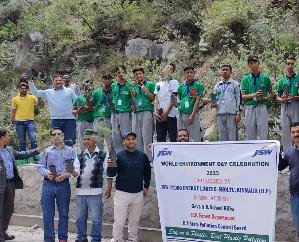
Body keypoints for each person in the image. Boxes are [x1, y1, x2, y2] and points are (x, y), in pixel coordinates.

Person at [107, 132, 151, 242]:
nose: (131, 141)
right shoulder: (118, 156)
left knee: (134, 221)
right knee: (119, 221)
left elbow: (147, 172)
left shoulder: (143, 156)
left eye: (133, 139)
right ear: (123, 142)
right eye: (128, 139)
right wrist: (110, 164)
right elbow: (111, 173)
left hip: (138, 194)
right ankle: (117, 239)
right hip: (122, 194)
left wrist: (146, 186)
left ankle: (133, 239)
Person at [37, 128, 77, 242]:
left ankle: (62, 238)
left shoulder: (70, 151)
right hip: (48, 185)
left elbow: (72, 168)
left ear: (63, 136)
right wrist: (46, 173)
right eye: (54, 134)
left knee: (64, 213)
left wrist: (66, 174)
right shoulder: (46, 151)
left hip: (63, 185)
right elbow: (40, 167)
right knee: (48, 214)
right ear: (51, 137)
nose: (56, 136)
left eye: (59, 134)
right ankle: (49, 239)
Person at [73, 129, 112, 242]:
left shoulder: (104, 154)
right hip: (80, 192)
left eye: (88, 139)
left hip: (95, 192)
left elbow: (108, 172)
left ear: (94, 140)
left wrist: (109, 188)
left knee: (96, 219)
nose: (86, 141)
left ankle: (96, 239)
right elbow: (76, 171)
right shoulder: (79, 155)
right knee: (80, 218)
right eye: (84, 139)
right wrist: (73, 172)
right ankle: (81, 238)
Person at [0, 128, 39, 241]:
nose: (9, 138)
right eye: (8, 136)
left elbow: (23, 155)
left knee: (9, 209)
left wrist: (38, 150)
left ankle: (3, 231)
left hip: (10, 184)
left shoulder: (10, 150)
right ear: (2, 137)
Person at [29, 74, 77, 146]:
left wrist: (77, 111)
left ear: (62, 81)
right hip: (55, 120)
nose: (58, 82)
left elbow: (77, 101)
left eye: (60, 80)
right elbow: (35, 93)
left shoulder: (69, 91)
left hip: (69, 120)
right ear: (53, 82)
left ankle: (68, 157)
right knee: (56, 142)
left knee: (69, 142)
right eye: (56, 80)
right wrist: (30, 81)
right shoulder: (48, 92)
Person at [241, 54, 273, 140]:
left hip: (262, 106)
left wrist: (264, 98)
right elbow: (243, 96)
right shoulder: (245, 79)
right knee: (250, 133)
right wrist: (254, 95)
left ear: (259, 63)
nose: (253, 64)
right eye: (251, 63)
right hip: (249, 107)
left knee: (264, 132)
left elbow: (271, 95)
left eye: (255, 62)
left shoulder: (266, 78)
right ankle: (251, 152)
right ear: (248, 65)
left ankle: (265, 152)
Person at [279, 122, 299, 242]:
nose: (296, 134)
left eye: (298, 131)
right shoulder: (289, 152)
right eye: (293, 132)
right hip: (295, 197)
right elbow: (279, 167)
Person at [131, 67, 155, 160]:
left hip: (146, 112)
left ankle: (149, 159)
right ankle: (139, 158)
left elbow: (153, 98)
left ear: (143, 74)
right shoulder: (133, 87)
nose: (138, 75)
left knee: (147, 136)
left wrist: (146, 90)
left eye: (140, 73)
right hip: (136, 113)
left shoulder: (150, 84)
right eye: (136, 74)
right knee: (136, 136)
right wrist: (132, 106)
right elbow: (133, 100)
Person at [212, 64, 241, 141]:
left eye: (227, 70)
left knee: (232, 136)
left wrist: (238, 113)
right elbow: (214, 99)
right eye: (223, 70)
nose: (225, 71)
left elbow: (239, 99)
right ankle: (224, 152)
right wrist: (213, 104)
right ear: (220, 71)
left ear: (230, 71)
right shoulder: (217, 86)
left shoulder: (235, 84)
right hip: (219, 113)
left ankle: (234, 152)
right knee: (222, 137)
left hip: (231, 113)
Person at [276, 54, 299, 151]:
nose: (290, 66)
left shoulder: (298, 78)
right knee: (285, 130)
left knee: (297, 128)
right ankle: (287, 154)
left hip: (295, 105)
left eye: (292, 64)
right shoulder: (282, 80)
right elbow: (277, 96)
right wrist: (282, 100)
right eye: (288, 64)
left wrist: (295, 97)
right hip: (285, 106)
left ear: (294, 65)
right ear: (285, 65)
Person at [177, 66, 204, 141]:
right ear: (184, 74)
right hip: (181, 112)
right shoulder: (181, 86)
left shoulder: (198, 85)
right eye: (187, 73)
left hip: (192, 113)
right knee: (182, 134)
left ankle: (197, 150)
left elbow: (197, 101)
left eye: (191, 73)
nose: (189, 74)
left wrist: (192, 115)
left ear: (194, 74)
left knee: (195, 135)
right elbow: (180, 99)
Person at [10, 82, 38, 151]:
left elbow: (39, 100)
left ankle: (36, 157)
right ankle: (22, 159)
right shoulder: (15, 99)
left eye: (25, 89)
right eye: (22, 89)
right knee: (22, 141)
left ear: (27, 90)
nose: (24, 90)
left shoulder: (32, 98)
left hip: (30, 122)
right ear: (19, 89)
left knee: (33, 140)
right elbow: (13, 110)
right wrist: (11, 121)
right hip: (19, 122)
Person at [111, 66, 133, 154]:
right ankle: (118, 154)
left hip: (125, 113)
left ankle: (128, 152)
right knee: (115, 135)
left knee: (126, 134)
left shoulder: (130, 85)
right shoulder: (113, 85)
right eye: (118, 73)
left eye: (122, 72)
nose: (120, 74)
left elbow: (134, 98)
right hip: (114, 113)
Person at [154, 63, 179, 142]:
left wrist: (167, 112)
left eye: (171, 69)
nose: (169, 70)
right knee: (160, 138)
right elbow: (156, 99)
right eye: (167, 68)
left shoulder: (174, 82)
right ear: (163, 69)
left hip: (171, 115)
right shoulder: (158, 84)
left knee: (173, 137)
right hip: (160, 115)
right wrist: (155, 112)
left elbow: (173, 98)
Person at [92, 74, 115, 157]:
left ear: (112, 81)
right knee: (98, 140)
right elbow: (91, 105)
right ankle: (99, 159)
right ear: (102, 81)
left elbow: (115, 107)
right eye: (105, 79)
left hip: (109, 118)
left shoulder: (114, 92)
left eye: (109, 79)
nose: (107, 81)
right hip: (98, 118)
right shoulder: (96, 92)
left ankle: (112, 160)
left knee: (110, 140)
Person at [73, 80, 94, 151]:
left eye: (89, 85)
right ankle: (84, 156)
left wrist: (88, 108)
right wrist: (79, 111)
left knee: (95, 140)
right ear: (83, 88)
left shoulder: (95, 96)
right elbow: (73, 111)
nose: (87, 87)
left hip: (93, 121)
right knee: (82, 140)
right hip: (82, 121)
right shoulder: (79, 98)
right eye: (85, 86)